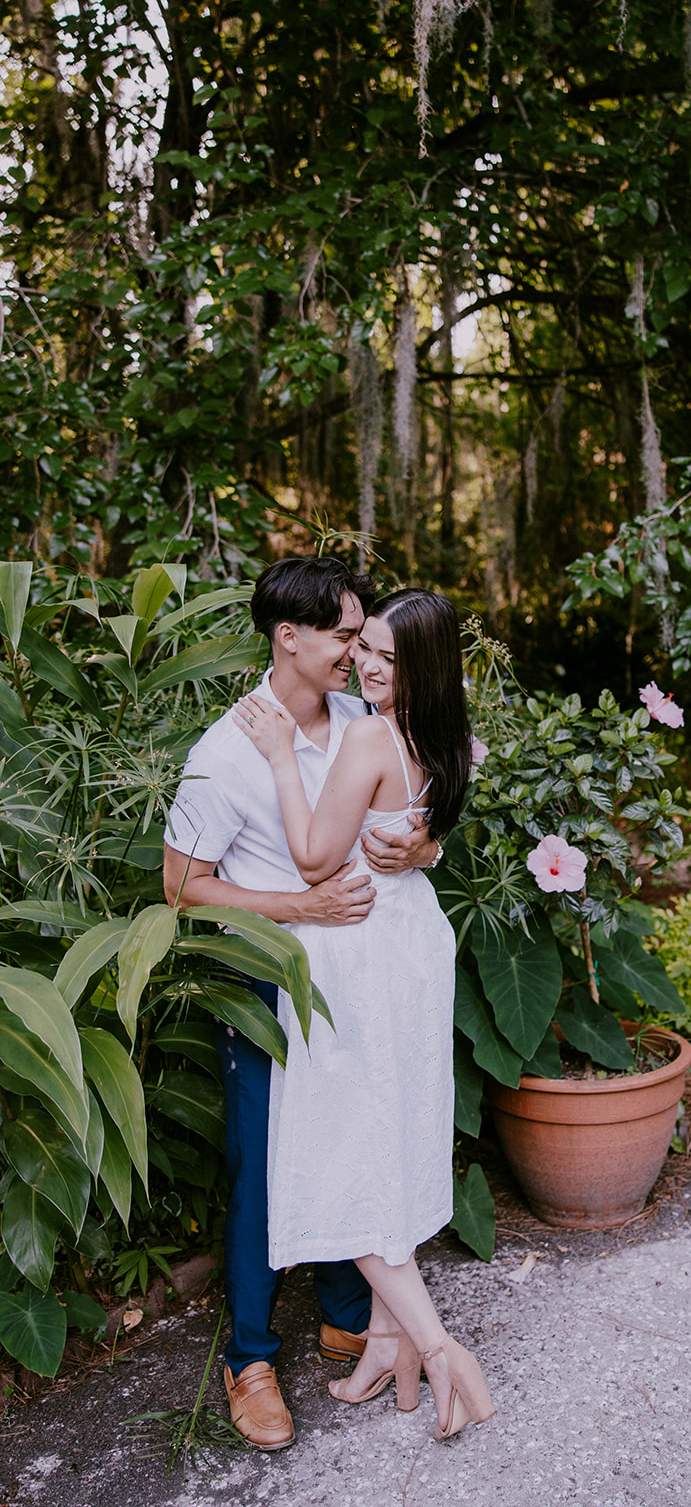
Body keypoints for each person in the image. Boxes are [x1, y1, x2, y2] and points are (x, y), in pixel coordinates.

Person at [163, 557, 440, 1452]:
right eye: (345, 634)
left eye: (364, 635)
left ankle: (346, 1310)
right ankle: (250, 1359)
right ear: (290, 637)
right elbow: (182, 888)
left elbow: (410, 803)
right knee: (264, 1159)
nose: (358, 651)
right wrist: (299, 907)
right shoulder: (223, 753)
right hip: (265, 976)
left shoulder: (363, 718)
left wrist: (421, 851)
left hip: (354, 974)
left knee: (348, 1131)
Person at [233, 587, 495, 1444]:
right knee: (396, 1126)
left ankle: (438, 1347)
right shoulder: (452, 737)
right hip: (413, 938)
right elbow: (424, 825)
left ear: (421, 662)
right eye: (365, 649)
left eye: (387, 655)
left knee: (349, 1138)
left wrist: (278, 755)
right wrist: (427, 843)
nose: (368, 666)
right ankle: (387, 1342)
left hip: (356, 946)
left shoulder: (368, 733)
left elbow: (313, 859)